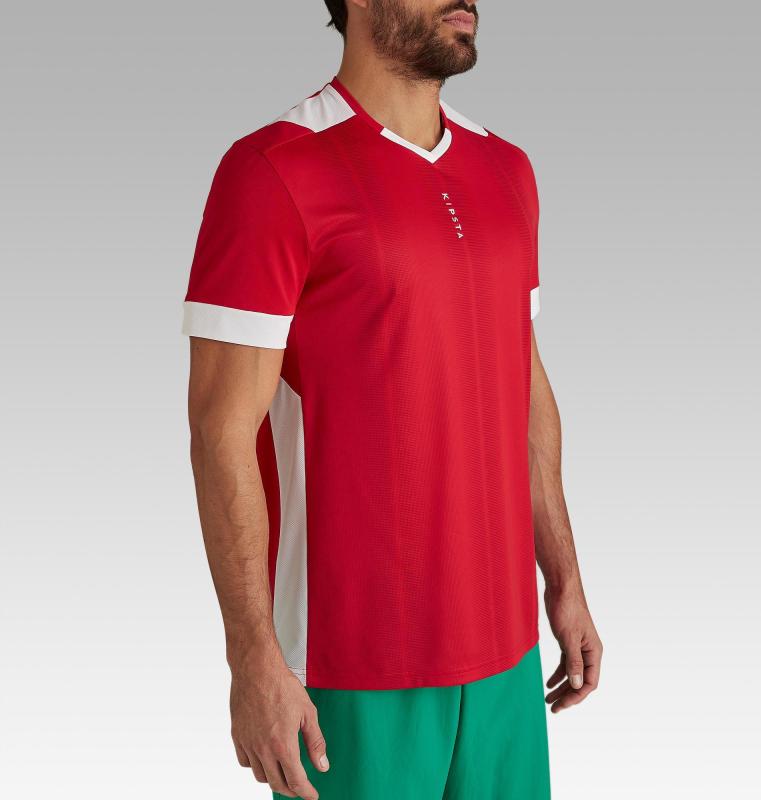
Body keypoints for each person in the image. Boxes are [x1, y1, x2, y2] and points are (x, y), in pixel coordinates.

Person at [182, 2, 602, 798]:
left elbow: (523, 384)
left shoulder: (507, 169)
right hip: (351, 665)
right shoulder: (272, 170)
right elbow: (220, 432)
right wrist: (251, 658)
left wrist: (565, 581)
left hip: (507, 654)